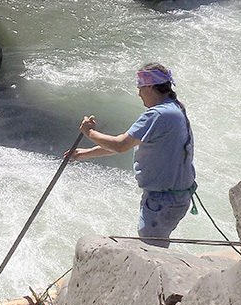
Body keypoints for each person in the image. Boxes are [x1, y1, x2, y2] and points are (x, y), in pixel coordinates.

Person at [69, 63, 196, 246]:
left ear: (150, 87)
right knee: (157, 245)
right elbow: (128, 143)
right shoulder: (175, 110)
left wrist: (89, 132)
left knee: (153, 251)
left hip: (162, 200)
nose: (138, 93)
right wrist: (88, 153)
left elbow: (121, 145)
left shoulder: (157, 115)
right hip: (177, 197)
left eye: (140, 87)